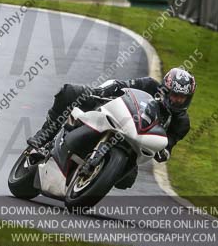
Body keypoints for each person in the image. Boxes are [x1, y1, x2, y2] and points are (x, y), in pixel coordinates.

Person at [26, 67, 196, 181]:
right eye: (174, 95)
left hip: (133, 146)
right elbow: (123, 85)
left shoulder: (182, 123)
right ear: (165, 89)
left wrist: (163, 153)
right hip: (114, 116)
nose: (177, 100)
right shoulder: (150, 85)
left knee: (127, 179)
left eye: (182, 98)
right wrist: (103, 91)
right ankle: (44, 136)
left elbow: (169, 145)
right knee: (69, 92)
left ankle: (98, 176)